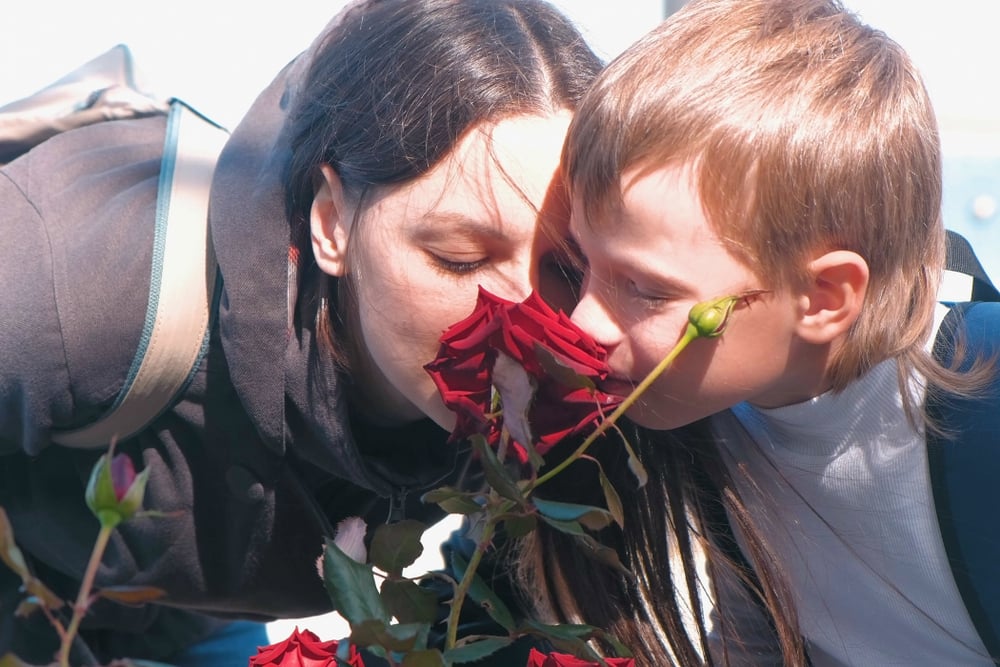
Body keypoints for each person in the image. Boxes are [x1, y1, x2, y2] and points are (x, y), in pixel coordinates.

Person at [0, 1, 603, 664]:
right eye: (460, 257)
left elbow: (514, 596)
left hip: (184, 615)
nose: (526, 318)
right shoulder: (70, 294)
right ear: (331, 223)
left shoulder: (583, 359)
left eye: (565, 266)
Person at [513, 0, 1000, 665]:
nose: (582, 322)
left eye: (648, 289)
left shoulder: (979, 413)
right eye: (579, 267)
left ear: (824, 297)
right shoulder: (710, 412)